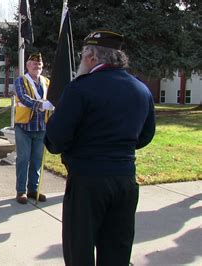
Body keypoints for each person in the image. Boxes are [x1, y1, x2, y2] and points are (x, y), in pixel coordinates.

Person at [44, 30, 156, 265]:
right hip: (125, 179)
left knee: (80, 250)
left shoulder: (80, 89)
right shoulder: (141, 89)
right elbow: (145, 136)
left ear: (92, 58)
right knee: (117, 250)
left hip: (87, 181)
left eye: (83, 55)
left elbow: (55, 140)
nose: (82, 61)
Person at [13, 52, 54, 205]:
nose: (37, 67)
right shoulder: (20, 80)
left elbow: (53, 98)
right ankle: (21, 191)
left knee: (37, 160)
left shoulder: (47, 82)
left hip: (41, 127)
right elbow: (23, 98)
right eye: (34, 64)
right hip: (24, 126)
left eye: (40, 65)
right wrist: (42, 105)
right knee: (23, 159)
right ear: (28, 65)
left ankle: (33, 189)